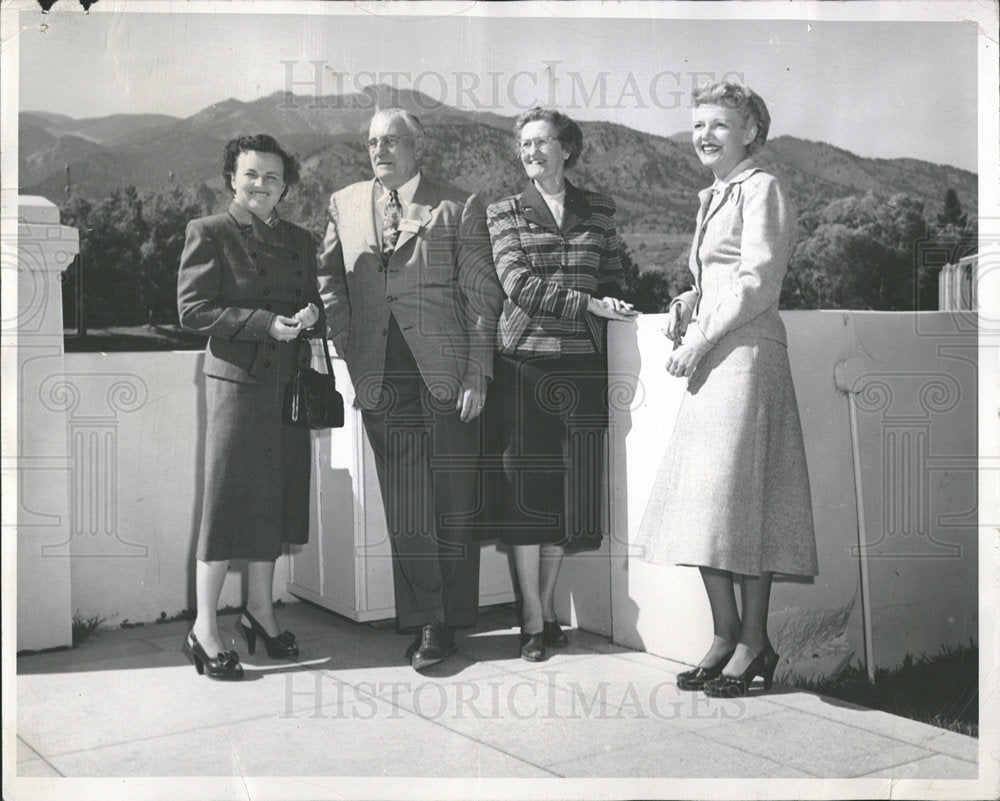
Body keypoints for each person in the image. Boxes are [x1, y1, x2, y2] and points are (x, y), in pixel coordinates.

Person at [638, 82, 818, 697]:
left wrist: (698, 339)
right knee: (707, 509)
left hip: (745, 359)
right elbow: (718, 276)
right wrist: (688, 298)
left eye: (719, 124)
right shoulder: (714, 194)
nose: (705, 136)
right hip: (715, 358)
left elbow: (758, 282)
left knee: (744, 506)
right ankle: (724, 634)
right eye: (698, 126)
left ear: (749, 132)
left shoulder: (761, 187)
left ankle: (754, 643)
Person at [318, 108, 504, 671]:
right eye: (373, 141)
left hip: (445, 372)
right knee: (406, 502)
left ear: (418, 147)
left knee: (451, 499)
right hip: (380, 376)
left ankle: (450, 618)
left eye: (393, 140)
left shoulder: (458, 204)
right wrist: (350, 349)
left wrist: (477, 372)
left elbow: (483, 295)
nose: (381, 150)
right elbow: (329, 281)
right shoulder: (345, 203)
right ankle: (429, 621)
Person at [486, 108, 636, 662]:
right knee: (529, 495)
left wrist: (616, 298)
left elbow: (615, 271)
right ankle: (529, 614)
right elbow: (517, 284)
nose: (531, 153)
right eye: (523, 145)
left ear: (567, 148)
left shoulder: (598, 208)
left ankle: (546, 606)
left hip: (581, 368)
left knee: (565, 501)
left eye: (541, 142)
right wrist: (588, 303)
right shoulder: (503, 212)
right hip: (524, 366)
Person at [177, 134, 323, 680]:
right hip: (237, 388)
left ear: (285, 186)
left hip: (287, 387)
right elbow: (192, 310)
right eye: (251, 174)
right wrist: (267, 325)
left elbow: (314, 301)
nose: (261, 185)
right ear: (231, 179)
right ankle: (204, 627)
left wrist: (308, 318)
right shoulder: (208, 232)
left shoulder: (301, 239)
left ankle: (259, 611)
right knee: (227, 501)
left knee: (276, 499)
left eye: (272, 177)